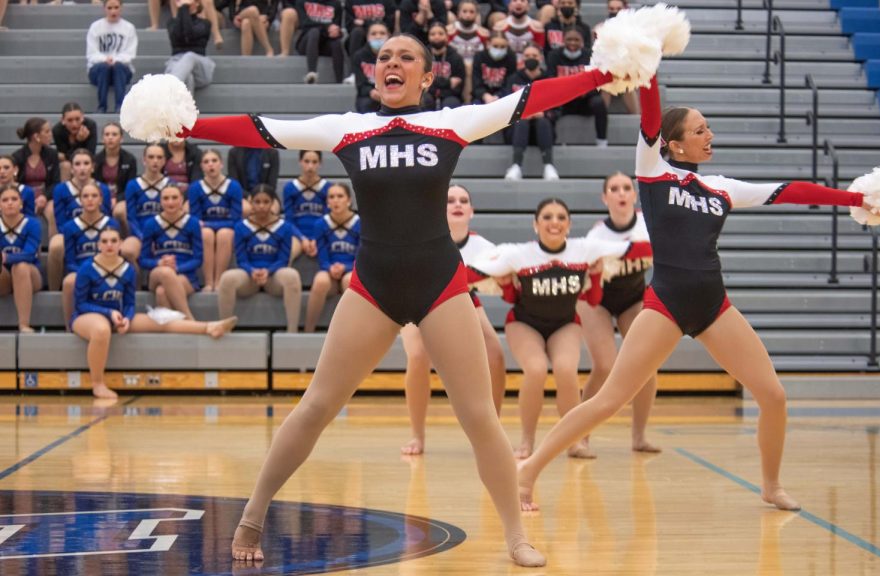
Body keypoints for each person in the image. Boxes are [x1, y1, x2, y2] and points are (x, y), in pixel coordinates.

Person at [176, 32, 630, 567]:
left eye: (406, 57)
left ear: (428, 75)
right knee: (316, 406)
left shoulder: (451, 123)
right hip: (374, 286)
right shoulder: (348, 129)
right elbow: (260, 130)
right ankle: (251, 517)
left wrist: (605, 74)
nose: (392, 63)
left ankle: (516, 536)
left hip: (440, 283)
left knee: (479, 417)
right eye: (384, 58)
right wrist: (184, 125)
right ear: (374, 74)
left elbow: (530, 100)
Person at [516, 75, 880, 513]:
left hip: (714, 305)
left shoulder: (721, 188)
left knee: (773, 396)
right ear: (673, 144)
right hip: (666, 304)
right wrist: (646, 70)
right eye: (699, 130)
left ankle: (770, 485)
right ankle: (529, 470)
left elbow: (790, 191)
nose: (710, 136)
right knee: (611, 398)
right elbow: (651, 116)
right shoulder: (653, 170)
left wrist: (856, 197)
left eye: (708, 128)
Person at [470, 198, 650, 460]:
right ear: (535, 224)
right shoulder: (517, 253)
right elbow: (481, 279)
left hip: (565, 324)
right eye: (547, 217)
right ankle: (527, 442)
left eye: (561, 217)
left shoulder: (585, 249)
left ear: (569, 224)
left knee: (566, 370)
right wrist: (507, 285)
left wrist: (597, 277)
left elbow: (629, 257)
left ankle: (574, 442)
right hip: (524, 324)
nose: (554, 222)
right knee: (536, 369)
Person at [73, 227, 237, 399]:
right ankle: (97, 384)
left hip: (117, 316)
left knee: (161, 320)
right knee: (101, 330)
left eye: (114, 241)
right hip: (87, 317)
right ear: (98, 245)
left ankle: (209, 327)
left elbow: (129, 303)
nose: (109, 245)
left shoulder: (128, 269)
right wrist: (108, 312)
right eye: (105, 241)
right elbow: (81, 304)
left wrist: (127, 318)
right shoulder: (87, 268)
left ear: (120, 244)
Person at [401, 184, 505, 455]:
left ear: (472, 211)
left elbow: (501, 282)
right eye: (449, 200)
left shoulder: (486, 248)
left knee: (494, 350)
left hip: (461, 300)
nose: (457, 204)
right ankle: (417, 434)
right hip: (417, 300)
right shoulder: (420, 238)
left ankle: (493, 428)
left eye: (463, 200)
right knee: (418, 355)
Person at [577, 172, 658, 454]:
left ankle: (639, 436)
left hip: (632, 297)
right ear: (605, 197)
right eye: (614, 189)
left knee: (647, 367)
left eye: (627, 188)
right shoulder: (597, 234)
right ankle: (581, 436)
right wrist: (632, 250)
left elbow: (651, 247)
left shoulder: (646, 224)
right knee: (605, 366)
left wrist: (626, 251)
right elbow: (645, 249)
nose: (622, 193)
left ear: (634, 196)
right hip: (594, 299)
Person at [218, 184, 302, 332]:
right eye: (257, 202)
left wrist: (267, 271)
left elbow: (283, 259)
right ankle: (223, 327)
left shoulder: (285, 227)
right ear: (251, 203)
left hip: (274, 275)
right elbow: (241, 259)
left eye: (266, 202)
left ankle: (292, 331)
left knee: (292, 276)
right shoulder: (241, 226)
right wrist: (252, 271)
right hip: (249, 276)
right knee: (226, 278)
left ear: (273, 203)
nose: (262, 206)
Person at [59, 182, 127, 327]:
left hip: (108, 269)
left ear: (101, 199)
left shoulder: (112, 224)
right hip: (81, 270)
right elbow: (70, 261)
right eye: (86, 196)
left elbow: (117, 256)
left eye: (94, 196)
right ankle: (69, 327)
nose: (90, 199)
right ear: (80, 200)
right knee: (69, 281)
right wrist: (88, 273)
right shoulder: (69, 227)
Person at [47, 149, 114, 290]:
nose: (82, 168)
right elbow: (60, 222)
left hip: (97, 232)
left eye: (86, 163)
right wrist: (77, 233)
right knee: (55, 245)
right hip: (71, 233)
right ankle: (54, 290)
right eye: (77, 164)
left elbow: (107, 218)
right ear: (71, 169)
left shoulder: (103, 189)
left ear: (93, 167)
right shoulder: (61, 189)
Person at [139, 184, 204, 319]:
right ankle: (189, 319)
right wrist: (159, 262)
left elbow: (198, 259)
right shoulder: (151, 224)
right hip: (157, 273)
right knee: (165, 272)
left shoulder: (192, 222)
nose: (170, 202)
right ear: (160, 202)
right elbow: (142, 260)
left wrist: (178, 267)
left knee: (162, 292)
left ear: (181, 200)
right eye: (166, 198)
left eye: (174, 198)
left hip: (185, 275)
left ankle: (173, 332)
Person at [303, 182, 359, 332]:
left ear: (349, 200)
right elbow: (322, 256)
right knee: (320, 280)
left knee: (349, 280)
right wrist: (330, 267)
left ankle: (353, 332)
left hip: (352, 269)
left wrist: (346, 267)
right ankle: (308, 330)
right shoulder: (321, 224)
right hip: (330, 270)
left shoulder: (360, 223)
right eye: (331, 197)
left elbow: (362, 256)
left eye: (340, 196)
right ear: (327, 202)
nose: (336, 200)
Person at [188, 149, 243, 290]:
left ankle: (219, 281)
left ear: (221, 164)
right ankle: (208, 282)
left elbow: (236, 219)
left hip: (227, 228)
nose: (210, 165)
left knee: (224, 234)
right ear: (201, 166)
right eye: (206, 162)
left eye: (214, 161)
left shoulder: (233, 186)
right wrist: (207, 225)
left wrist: (209, 224)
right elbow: (195, 219)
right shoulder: (195, 187)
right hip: (207, 228)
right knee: (206, 234)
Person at [502, 43, 558, 181]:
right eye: (527, 56)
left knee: (543, 122)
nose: (530, 58)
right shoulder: (513, 79)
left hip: (543, 131)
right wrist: (522, 113)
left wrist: (544, 113)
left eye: (534, 55)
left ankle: (548, 166)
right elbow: (505, 106)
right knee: (521, 122)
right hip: (517, 130)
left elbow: (558, 108)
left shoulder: (549, 79)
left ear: (541, 58)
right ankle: (516, 166)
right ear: (522, 58)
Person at [546, 29, 608, 147]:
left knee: (599, 102)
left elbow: (597, 83)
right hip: (562, 100)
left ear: (582, 42)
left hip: (583, 100)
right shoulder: (553, 55)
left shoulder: (590, 55)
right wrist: (568, 91)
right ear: (563, 40)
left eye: (576, 40)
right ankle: (552, 142)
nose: (573, 42)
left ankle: (602, 140)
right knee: (548, 106)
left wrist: (585, 92)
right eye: (569, 39)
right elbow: (550, 79)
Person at [0, 184, 42, 333]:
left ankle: (24, 324)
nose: (10, 202)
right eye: (5, 200)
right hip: (4, 280)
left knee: (21, 266)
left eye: (14, 199)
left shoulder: (32, 224)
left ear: (21, 203)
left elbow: (30, 254)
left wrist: (5, 257)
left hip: (30, 276)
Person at [86, 0, 138, 113]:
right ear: (104, 8)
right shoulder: (95, 27)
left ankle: (120, 107)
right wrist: (105, 59)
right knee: (104, 67)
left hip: (121, 70)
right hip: (98, 70)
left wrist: (114, 60)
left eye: (116, 7)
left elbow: (130, 54)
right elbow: (91, 54)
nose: (113, 11)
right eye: (109, 8)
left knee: (118, 66)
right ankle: (102, 107)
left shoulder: (129, 28)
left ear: (121, 8)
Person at [282, 149, 331, 260]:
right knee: (287, 255)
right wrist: (302, 238)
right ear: (300, 162)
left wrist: (315, 238)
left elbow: (328, 219)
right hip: (297, 235)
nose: (310, 166)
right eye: (306, 161)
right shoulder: (290, 187)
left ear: (320, 163)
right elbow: (289, 220)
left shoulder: (328, 188)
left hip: (322, 235)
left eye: (314, 162)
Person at [165, 0, 216, 94]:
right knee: (188, 77)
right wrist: (183, 9)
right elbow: (178, 36)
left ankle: (169, 89)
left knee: (189, 56)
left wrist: (183, 8)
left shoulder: (205, 23)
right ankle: (185, 108)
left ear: (197, 3)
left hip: (200, 66)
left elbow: (189, 34)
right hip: (177, 62)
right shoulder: (172, 23)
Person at [597, 0, 638, 115]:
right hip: (607, 67)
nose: (614, 12)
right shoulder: (599, 29)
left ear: (624, 9)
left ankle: (636, 118)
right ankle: (601, 118)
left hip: (628, 67)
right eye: (611, 9)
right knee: (607, 81)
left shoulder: (634, 29)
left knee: (627, 80)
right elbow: (598, 54)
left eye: (618, 9)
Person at [11, 118, 57, 216]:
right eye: (47, 131)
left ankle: (55, 232)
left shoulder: (52, 154)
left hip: (46, 197)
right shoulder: (18, 156)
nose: (51, 134)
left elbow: (56, 182)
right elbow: (14, 182)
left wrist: (45, 197)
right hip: (23, 196)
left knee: (51, 210)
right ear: (36, 136)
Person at [125, 143, 170, 242]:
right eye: (151, 157)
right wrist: (143, 237)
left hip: (164, 234)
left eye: (159, 157)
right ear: (144, 160)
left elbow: (172, 217)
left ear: (164, 161)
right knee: (128, 250)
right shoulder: (132, 185)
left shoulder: (170, 185)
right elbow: (131, 218)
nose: (155, 161)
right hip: (140, 234)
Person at [294, 0, 344, 84]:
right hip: (306, 43)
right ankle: (312, 73)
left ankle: (339, 81)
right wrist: (326, 27)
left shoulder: (336, 4)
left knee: (336, 44)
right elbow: (305, 24)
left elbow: (335, 28)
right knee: (314, 32)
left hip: (324, 43)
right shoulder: (301, 2)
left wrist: (338, 32)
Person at [93, 122, 138, 212]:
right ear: (102, 139)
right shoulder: (95, 160)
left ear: (121, 139)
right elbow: (94, 184)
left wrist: (117, 199)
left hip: (123, 199)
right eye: (107, 134)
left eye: (114, 134)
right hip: (99, 198)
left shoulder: (130, 159)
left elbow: (130, 187)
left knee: (119, 211)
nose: (110, 137)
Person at [52, 102, 99, 183]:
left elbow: (90, 154)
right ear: (63, 121)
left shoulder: (90, 125)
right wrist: (78, 141)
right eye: (70, 120)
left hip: (87, 161)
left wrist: (75, 142)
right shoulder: (58, 130)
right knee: (65, 165)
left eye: (77, 119)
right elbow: (66, 157)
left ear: (82, 118)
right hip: (70, 164)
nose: (74, 124)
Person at [423, 22, 464, 110]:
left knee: (450, 104)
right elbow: (421, 81)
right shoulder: (423, 56)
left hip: (450, 95)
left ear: (447, 36)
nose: (437, 36)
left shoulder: (456, 57)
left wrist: (434, 84)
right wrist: (448, 82)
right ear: (428, 37)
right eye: (433, 34)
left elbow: (458, 86)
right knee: (424, 100)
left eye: (441, 34)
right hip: (428, 94)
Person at [351, 20, 390, 113]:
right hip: (369, 96)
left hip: (392, 94)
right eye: (373, 33)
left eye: (382, 33)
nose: (378, 36)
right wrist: (371, 92)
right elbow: (360, 85)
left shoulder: (396, 56)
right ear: (368, 37)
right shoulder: (359, 56)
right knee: (366, 104)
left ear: (388, 36)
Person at [492, 0, 544, 66]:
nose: (518, 3)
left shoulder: (536, 27)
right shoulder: (500, 26)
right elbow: (496, 51)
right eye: (514, 0)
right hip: (505, 64)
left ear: (528, 6)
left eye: (522, 1)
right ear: (509, 6)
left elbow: (539, 53)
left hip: (529, 66)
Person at [471, 31, 516, 105]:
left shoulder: (511, 57)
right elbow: (476, 83)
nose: (499, 49)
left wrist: (498, 96)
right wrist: (485, 96)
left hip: (503, 98)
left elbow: (510, 83)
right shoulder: (479, 57)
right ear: (488, 44)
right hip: (481, 97)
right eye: (495, 46)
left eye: (503, 47)